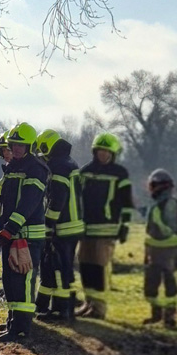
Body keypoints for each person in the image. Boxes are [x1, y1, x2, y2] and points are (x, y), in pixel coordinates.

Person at [0, 122, 49, 342]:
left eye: (22, 145)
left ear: (30, 146)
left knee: (23, 283)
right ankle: (13, 323)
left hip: (27, 237)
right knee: (10, 282)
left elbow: (28, 204)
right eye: (15, 144)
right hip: (11, 236)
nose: (18, 149)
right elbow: (1, 200)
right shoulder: (11, 168)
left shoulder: (36, 169)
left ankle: (22, 330)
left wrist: (10, 227)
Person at [76, 132, 133, 319]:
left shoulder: (120, 173)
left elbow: (126, 203)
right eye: (100, 151)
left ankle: (99, 309)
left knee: (99, 268)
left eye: (107, 152)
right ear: (95, 151)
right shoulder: (85, 172)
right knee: (85, 266)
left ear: (113, 153)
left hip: (107, 228)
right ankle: (88, 303)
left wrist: (124, 226)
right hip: (85, 228)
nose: (103, 155)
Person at [35, 129, 84, 322]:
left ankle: (60, 311)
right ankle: (57, 307)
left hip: (63, 227)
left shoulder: (57, 165)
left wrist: (48, 225)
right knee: (61, 268)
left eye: (42, 150)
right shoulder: (69, 162)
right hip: (74, 225)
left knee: (60, 269)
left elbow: (57, 199)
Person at [141, 169, 177, 327]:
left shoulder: (170, 204)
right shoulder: (155, 204)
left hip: (167, 253)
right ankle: (157, 313)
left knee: (169, 286)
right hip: (155, 252)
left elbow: (169, 229)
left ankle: (169, 316)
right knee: (151, 286)